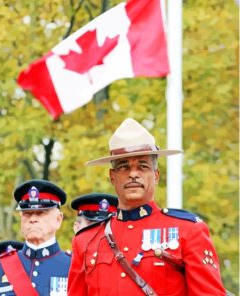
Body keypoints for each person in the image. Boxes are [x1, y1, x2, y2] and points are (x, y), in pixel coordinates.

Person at [68, 118, 226, 295]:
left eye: (142, 166)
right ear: (112, 176)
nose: (133, 174)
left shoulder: (188, 231)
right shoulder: (86, 241)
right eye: (124, 167)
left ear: (156, 175)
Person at [0, 179, 71, 296]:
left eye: (41, 213)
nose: (32, 219)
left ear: (58, 220)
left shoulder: (75, 267)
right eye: (27, 214)